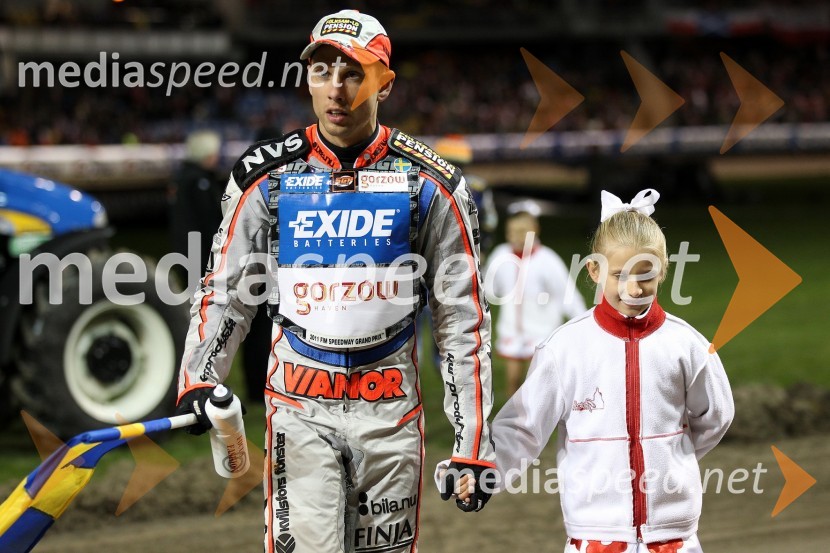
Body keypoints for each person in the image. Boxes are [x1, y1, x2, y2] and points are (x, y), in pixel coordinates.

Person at [174, 9, 496, 553]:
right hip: (297, 410)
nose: (335, 90)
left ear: (385, 83)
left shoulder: (431, 183)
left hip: (392, 413)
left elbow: (462, 321)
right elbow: (227, 293)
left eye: (353, 73)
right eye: (322, 72)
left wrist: (473, 446)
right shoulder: (265, 176)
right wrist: (199, 380)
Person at [439, 189, 735, 552]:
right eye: (620, 274)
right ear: (594, 269)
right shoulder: (564, 349)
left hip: (675, 539)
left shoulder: (688, 345)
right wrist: (482, 469)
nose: (634, 288)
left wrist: (672, 457)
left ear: (663, 270)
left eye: (646, 274)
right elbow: (524, 428)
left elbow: (715, 417)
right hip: (594, 538)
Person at [484, 201, 586, 396]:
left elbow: (567, 293)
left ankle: (539, 418)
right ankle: (514, 421)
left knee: (537, 383)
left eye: (523, 231)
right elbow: (490, 288)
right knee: (512, 380)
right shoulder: (500, 255)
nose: (518, 236)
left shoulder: (547, 259)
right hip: (512, 328)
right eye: (513, 231)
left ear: (535, 230)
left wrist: (580, 321)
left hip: (541, 330)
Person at [167, 129, 223, 266]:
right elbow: (208, 219)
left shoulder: (181, 178)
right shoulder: (199, 181)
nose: (217, 157)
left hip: (184, 249)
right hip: (201, 253)